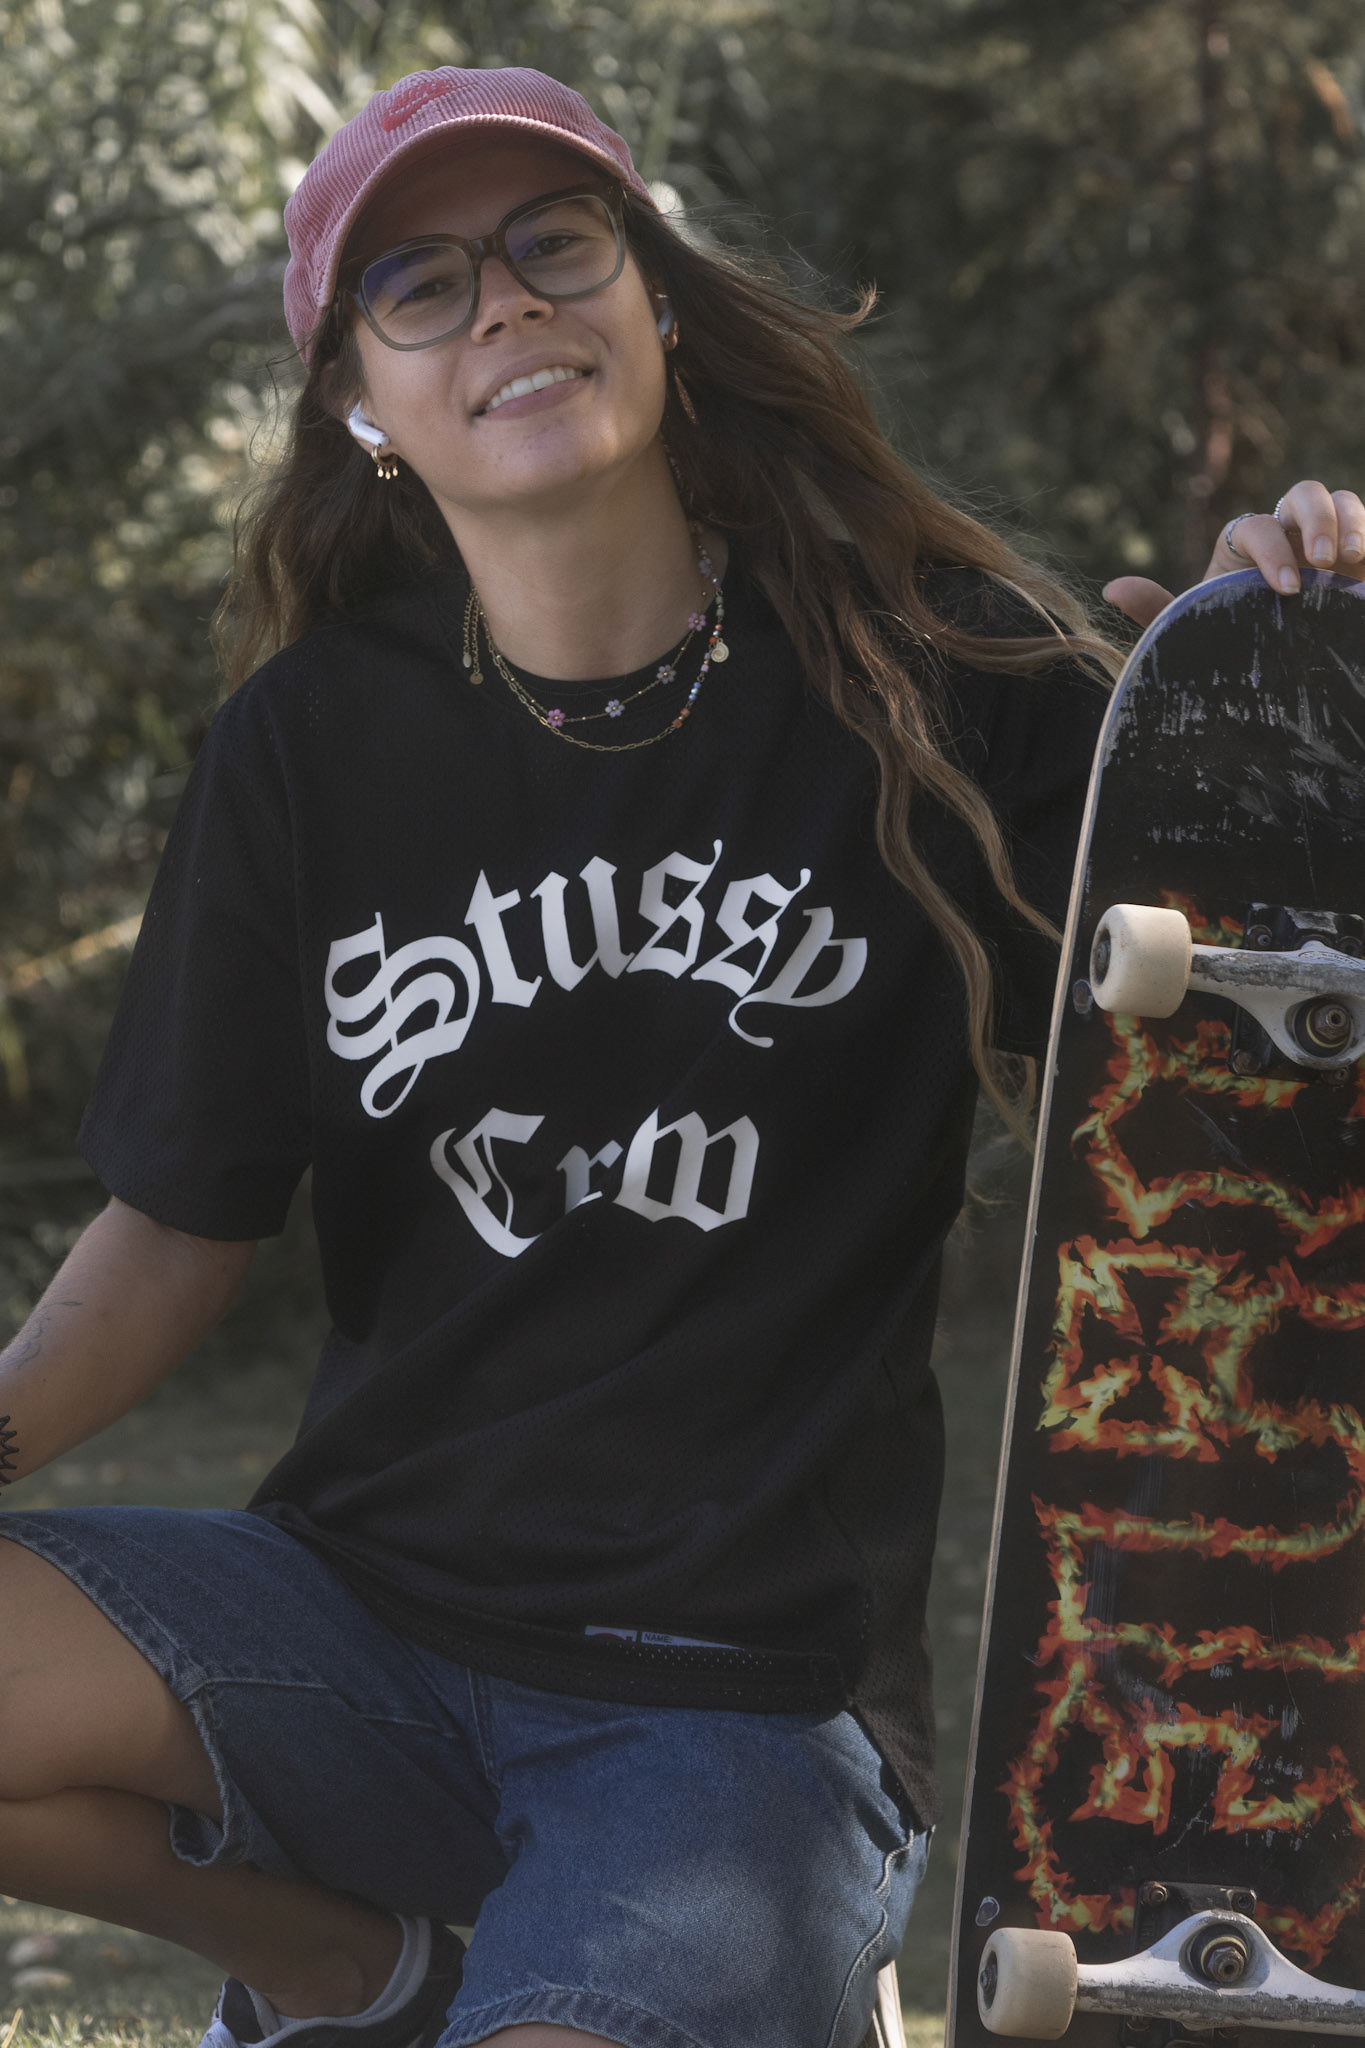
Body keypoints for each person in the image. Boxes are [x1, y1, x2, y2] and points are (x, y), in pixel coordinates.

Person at [0, 61, 1360, 2048]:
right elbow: (179, 1218)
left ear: (653, 298)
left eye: (555, 245)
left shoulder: (931, 677)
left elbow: (1253, 984)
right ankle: (346, 1980)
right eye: (420, 285)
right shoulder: (309, 745)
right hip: (359, 1619)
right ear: (361, 403)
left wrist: (1270, 672)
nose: (504, 303)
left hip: (737, 1711)